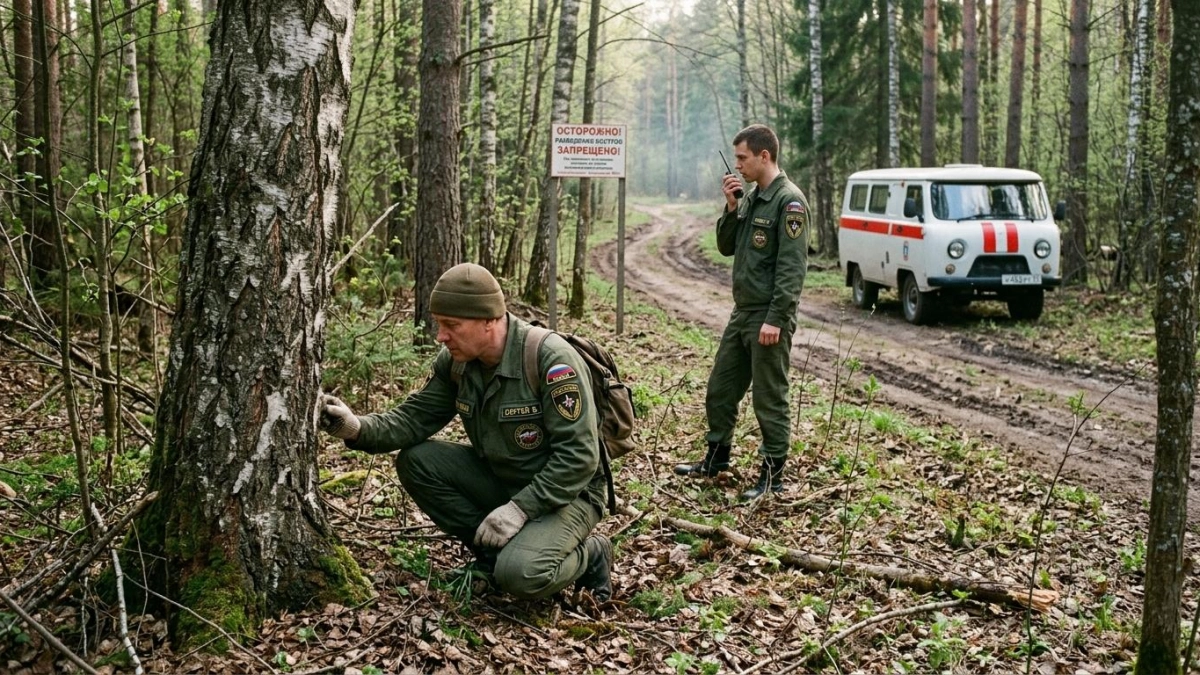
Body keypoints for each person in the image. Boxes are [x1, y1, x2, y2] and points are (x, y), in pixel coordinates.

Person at [320, 263, 614, 602]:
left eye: (451, 326)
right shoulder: (457, 363)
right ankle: (492, 555)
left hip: (568, 495)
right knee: (419, 461)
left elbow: (579, 458)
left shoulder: (549, 360)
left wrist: (519, 510)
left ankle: (591, 554)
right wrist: (353, 426)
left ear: (489, 320)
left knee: (520, 575)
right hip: (505, 482)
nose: (441, 336)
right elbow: (415, 417)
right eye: (440, 325)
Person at [674, 124, 810, 501]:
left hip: (768, 316)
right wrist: (732, 206)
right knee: (720, 388)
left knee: (770, 396)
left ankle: (772, 474)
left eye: (742, 158)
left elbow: (792, 269)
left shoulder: (789, 201)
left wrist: (776, 319)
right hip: (742, 313)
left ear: (764, 156)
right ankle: (716, 458)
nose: (737, 165)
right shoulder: (751, 197)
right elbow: (726, 246)